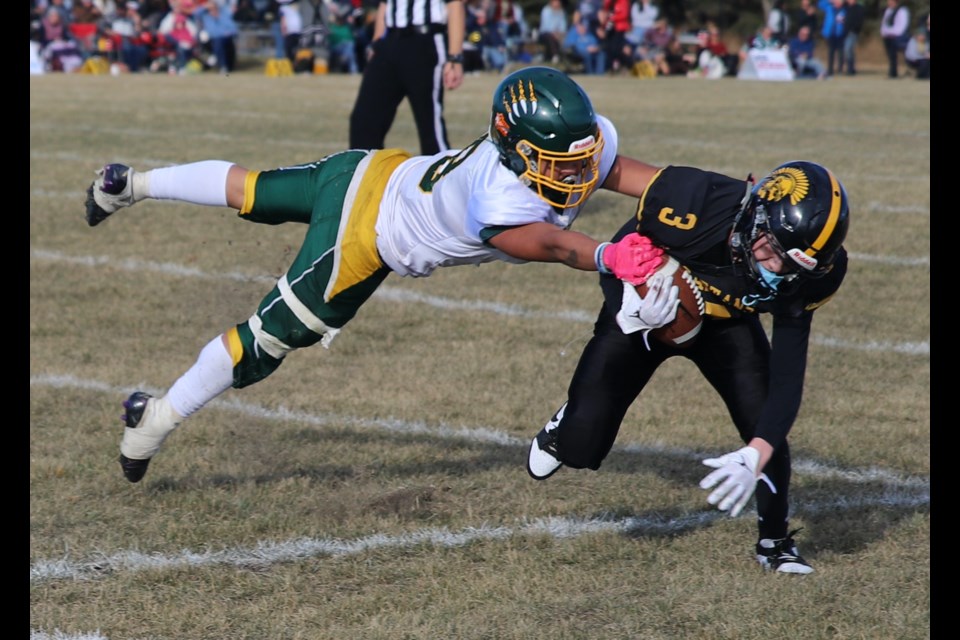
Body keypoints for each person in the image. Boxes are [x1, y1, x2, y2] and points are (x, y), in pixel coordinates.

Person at [82, 66, 668, 485]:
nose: (579, 171)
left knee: (252, 187)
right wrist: (604, 255)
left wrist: (715, 198)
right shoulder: (498, 197)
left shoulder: (569, 152)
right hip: (366, 231)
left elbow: (635, 176)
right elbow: (552, 244)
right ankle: (154, 420)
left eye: (580, 157)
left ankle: (131, 184)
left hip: (371, 168)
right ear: (516, 150)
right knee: (268, 338)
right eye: (559, 161)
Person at [527, 159, 850, 575]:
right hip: (649, 309)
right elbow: (622, 250)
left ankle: (774, 542)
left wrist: (756, 453)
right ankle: (563, 429)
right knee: (581, 447)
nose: (776, 270)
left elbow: (788, 378)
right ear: (755, 217)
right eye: (772, 252)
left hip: (728, 325)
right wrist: (631, 308)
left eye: (792, 265)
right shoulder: (693, 200)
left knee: (761, 420)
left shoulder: (810, 273)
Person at [348, 0, 465, 157]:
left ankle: (443, 178)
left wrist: (455, 57)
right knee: (364, 121)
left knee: (430, 125)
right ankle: (365, 175)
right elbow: (384, 4)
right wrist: (376, 42)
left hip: (425, 40)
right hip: (389, 41)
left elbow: (454, 4)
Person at [194, 0, 239, 74]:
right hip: (213, 39)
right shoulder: (206, 15)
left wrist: (228, 33)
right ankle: (222, 66)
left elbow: (232, 28)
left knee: (228, 45)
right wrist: (204, 7)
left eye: (214, 7)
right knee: (218, 43)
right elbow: (196, 13)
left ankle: (229, 66)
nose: (212, 10)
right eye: (210, 8)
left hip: (226, 37)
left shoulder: (224, 13)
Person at [879, 0, 910, 79]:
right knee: (890, 55)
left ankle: (895, 72)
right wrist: (883, 33)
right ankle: (892, 72)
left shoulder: (902, 11)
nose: (889, 3)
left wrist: (894, 33)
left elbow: (902, 26)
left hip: (896, 36)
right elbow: (884, 23)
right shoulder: (888, 11)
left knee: (896, 55)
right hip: (887, 36)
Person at [818, 0, 846, 76]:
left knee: (840, 52)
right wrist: (830, 1)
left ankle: (840, 69)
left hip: (840, 33)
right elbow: (820, 4)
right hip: (830, 33)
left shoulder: (844, 10)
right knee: (831, 51)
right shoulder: (829, 8)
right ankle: (830, 70)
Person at [538, 0, 568, 65]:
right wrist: (555, 33)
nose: (557, 3)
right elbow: (546, 26)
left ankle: (562, 57)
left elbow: (563, 26)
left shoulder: (561, 12)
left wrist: (560, 33)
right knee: (550, 37)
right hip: (545, 34)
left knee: (563, 38)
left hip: (557, 34)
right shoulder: (546, 11)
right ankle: (555, 55)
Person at [841, 0, 864, 76]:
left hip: (853, 32)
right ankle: (851, 68)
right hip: (846, 32)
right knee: (849, 50)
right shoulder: (846, 7)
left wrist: (854, 29)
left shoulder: (859, 8)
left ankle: (850, 68)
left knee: (847, 49)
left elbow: (860, 21)